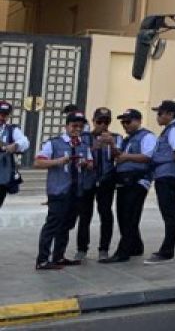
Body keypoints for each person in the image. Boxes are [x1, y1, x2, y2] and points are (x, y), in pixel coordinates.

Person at [34, 113, 92, 270]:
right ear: (66, 126)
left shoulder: (84, 145)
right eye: (74, 126)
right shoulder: (54, 143)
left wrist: (85, 164)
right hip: (58, 191)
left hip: (76, 191)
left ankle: (59, 256)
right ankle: (43, 260)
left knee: (66, 225)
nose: (77, 129)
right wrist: (58, 161)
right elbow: (38, 162)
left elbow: (91, 164)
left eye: (80, 126)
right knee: (52, 225)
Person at [99, 109, 156, 263]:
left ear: (138, 121)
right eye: (123, 122)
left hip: (137, 180)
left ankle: (123, 252)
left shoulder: (147, 136)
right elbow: (119, 156)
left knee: (130, 216)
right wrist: (111, 144)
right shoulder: (128, 139)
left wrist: (126, 157)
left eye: (128, 121)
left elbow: (148, 156)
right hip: (124, 181)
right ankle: (135, 246)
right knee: (123, 216)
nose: (125, 125)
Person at [146, 100, 175, 265]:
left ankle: (167, 252)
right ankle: (166, 249)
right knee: (168, 214)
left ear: (170, 114)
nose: (158, 117)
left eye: (160, 113)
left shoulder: (174, 131)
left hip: (168, 176)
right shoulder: (170, 130)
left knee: (169, 215)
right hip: (164, 175)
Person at [75, 107, 118, 261]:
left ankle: (104, 249)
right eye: (99, 121)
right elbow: (78, 155)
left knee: (105, 213)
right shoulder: (84, 137)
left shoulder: (116, 137)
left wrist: (112, 144)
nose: (102, 125)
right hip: (88, 181)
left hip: (106, 180)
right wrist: (95, 147)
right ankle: (81, 249)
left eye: (106, 122)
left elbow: (119, 157)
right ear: (93, 121)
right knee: (85, 215)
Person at [0, 101, 29, 210]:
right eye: (1, 114)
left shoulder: (12, 129)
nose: (3, 117)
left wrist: (15, 145)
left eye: (5, 115)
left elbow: (25, 142)